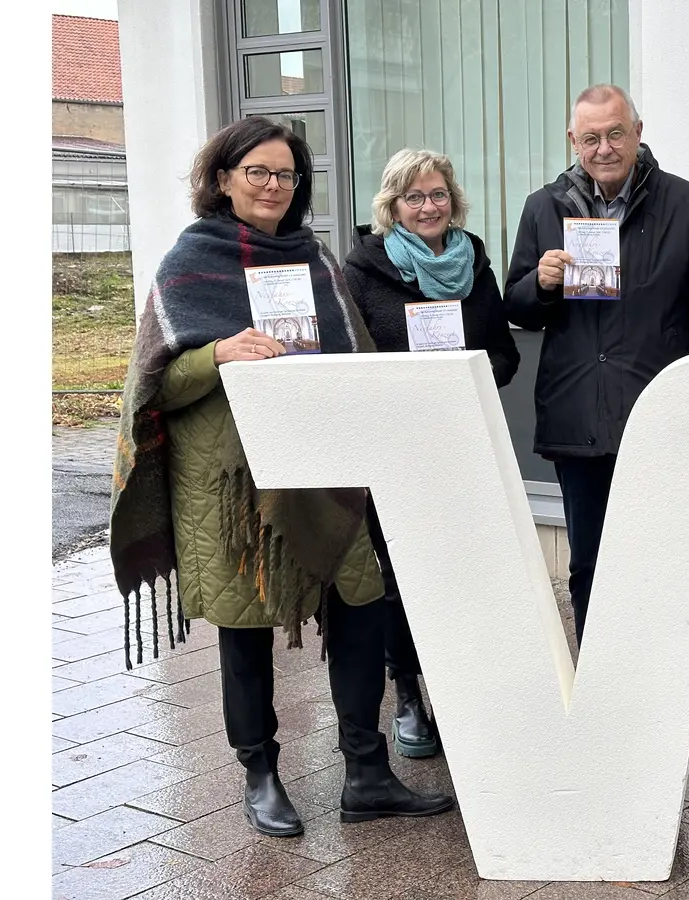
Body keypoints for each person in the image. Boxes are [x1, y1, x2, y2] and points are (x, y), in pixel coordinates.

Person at [108, 116, 456, 839]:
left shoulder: (315, 260)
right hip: (233, 489)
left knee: (360, 610)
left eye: (286, 175)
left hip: (324, 469)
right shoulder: (189, 261)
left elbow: (351, 355)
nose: (272, 186)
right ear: (224, 178)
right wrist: (219, 354)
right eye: (257, 172)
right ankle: (260, 775)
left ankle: (366, 772)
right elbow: (155, 385)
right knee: (244, 631)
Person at [504, 84, 689, 647]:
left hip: (660, 414)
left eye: (614, 134)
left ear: (637, 131)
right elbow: (517, 307)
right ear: (572, 141)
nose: (603, 148)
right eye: (590, 138)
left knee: (659, 559)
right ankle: (596, 683)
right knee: (589, 563)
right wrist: (543, 283)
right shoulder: (543, 207)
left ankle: (656, 674)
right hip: (577, 411)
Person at [342, 147, 521, 759]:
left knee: (466, 571)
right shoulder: (364, 269)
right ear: (392, 206)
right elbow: (353, 361)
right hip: (396, 449)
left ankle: (467, 689)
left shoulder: (475, 262)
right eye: (413, 197)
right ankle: (410, 695)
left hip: (463, 443)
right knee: (400, 578)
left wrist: (465, 372)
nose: (428, 206)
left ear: (454, 200)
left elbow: (505, 354)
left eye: (438, 194)